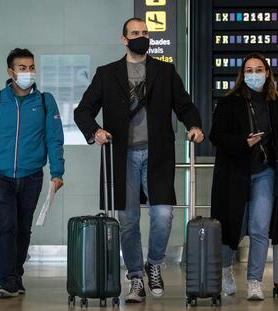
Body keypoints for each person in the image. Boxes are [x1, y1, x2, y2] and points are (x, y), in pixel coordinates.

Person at [74, 17, 204, 303]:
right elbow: (82, 111)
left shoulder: (165, 71)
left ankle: (154, 263)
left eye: (145, 33)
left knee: (163, 214)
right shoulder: (107, 74)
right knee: (129, 219)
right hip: (123, 155)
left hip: (158, 154)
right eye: (135, 33)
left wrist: (194, 125)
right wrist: (95, 131)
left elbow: (184, 105)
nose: (141, 37)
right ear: (124, 39)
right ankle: (135, 277)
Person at [0, 48, 65, 298]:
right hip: (0, 175)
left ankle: (16, 275)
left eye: (31, 67)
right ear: (10, 71)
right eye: (22, 68)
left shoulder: (45, 101)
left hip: (32, 175)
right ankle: (9, 279)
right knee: (6, 227)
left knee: (23, 229)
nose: (28, 72)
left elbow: (54, 139)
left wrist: (57, 172)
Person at [209, 52, 278, 300]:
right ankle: (225, 271)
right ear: (242, 74)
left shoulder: (275, 101)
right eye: (249, 70)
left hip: (265, 171)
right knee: (231, 227)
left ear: (267, 73)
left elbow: (275, 130)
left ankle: (255, 281)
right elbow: (217, 136)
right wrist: (242, 143)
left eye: (259, 69)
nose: (254, 74)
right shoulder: (228, 102)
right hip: (235, 172)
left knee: (259, 227)